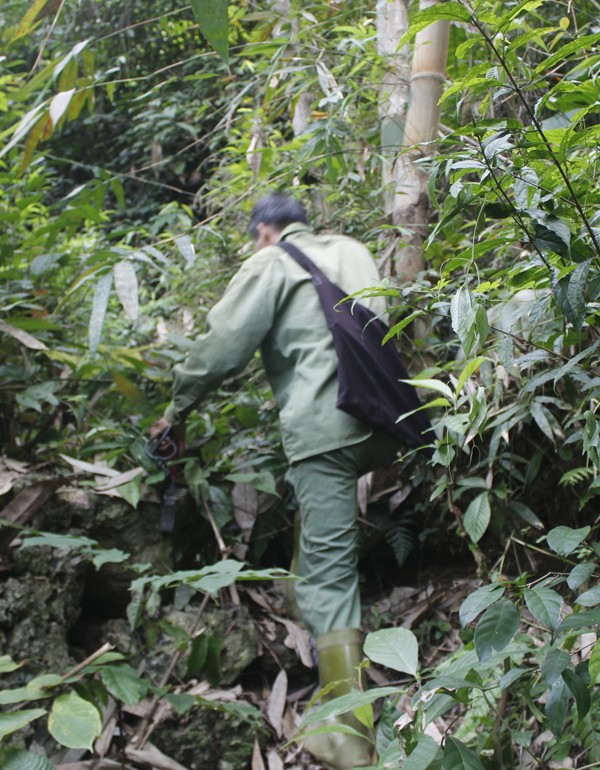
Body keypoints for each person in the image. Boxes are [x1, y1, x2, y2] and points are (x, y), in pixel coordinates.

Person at [149, 192, 401, 769]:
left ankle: (347, 734)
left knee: (332, 577)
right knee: (319, 530)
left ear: (265, 232)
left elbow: (220, 350)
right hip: (384, 420)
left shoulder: (270, 261)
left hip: (325, 427)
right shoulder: (353, 249)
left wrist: (177, 410)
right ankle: (298, 590)